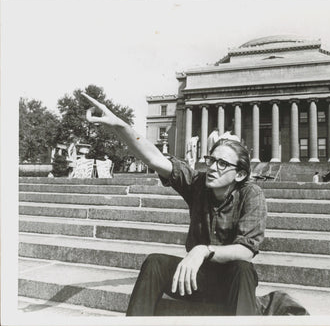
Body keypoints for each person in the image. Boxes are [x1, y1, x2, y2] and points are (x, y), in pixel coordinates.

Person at [82, 93, 267, 316]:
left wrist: (203, 250)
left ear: (239, 175)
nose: (212, 167)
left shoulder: (251, 194)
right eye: (211, 160)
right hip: (194, 278)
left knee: (244, 269)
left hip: (231, 284)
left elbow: (246, 250)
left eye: (222, 163)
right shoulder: (198, 184)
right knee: (154, 263)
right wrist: (120, 125)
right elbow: (154, 158)